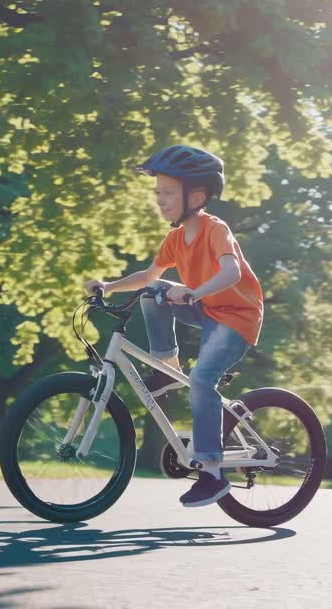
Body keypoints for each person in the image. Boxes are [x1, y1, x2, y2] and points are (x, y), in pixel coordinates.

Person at [85, 145, 264, 507]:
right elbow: (149, 277)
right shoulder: (174, 238)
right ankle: (167, 368)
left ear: (196, 196)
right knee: (153, 292)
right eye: (158, 193)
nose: (160, 200)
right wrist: (109, 285)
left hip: (236, 318)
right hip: (206, 307)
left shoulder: (216, 229)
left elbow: (231, 272)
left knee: (202, 380)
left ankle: (212, 474)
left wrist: (193, 292)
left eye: (168, 193)